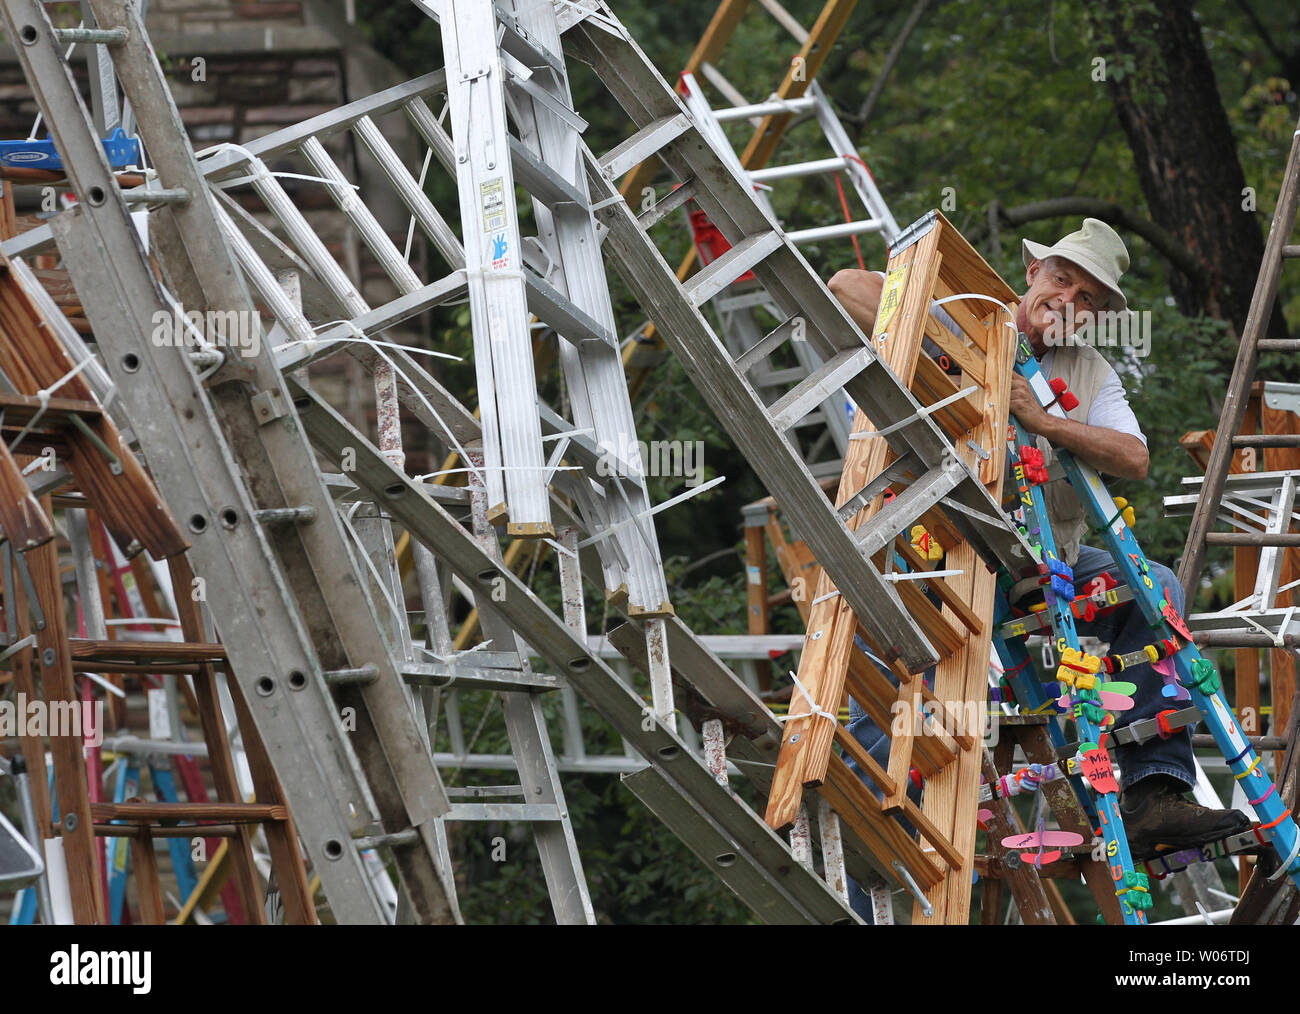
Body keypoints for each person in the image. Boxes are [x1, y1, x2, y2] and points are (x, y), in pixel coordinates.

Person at [828, 219, 1249, 879]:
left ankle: (1153, 792)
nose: (1067, 301)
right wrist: (962, 345)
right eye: (1061, 279)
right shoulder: (973, 317)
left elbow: (1134, 457)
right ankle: (867, 847)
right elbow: (845, 286)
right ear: (1032, 274)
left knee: (1155, 588)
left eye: (1087, 298)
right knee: (895, 711)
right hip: (928, 559)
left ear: (1099, 317)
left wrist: (1044, 419)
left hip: (1039, 566)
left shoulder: (1090, 371)